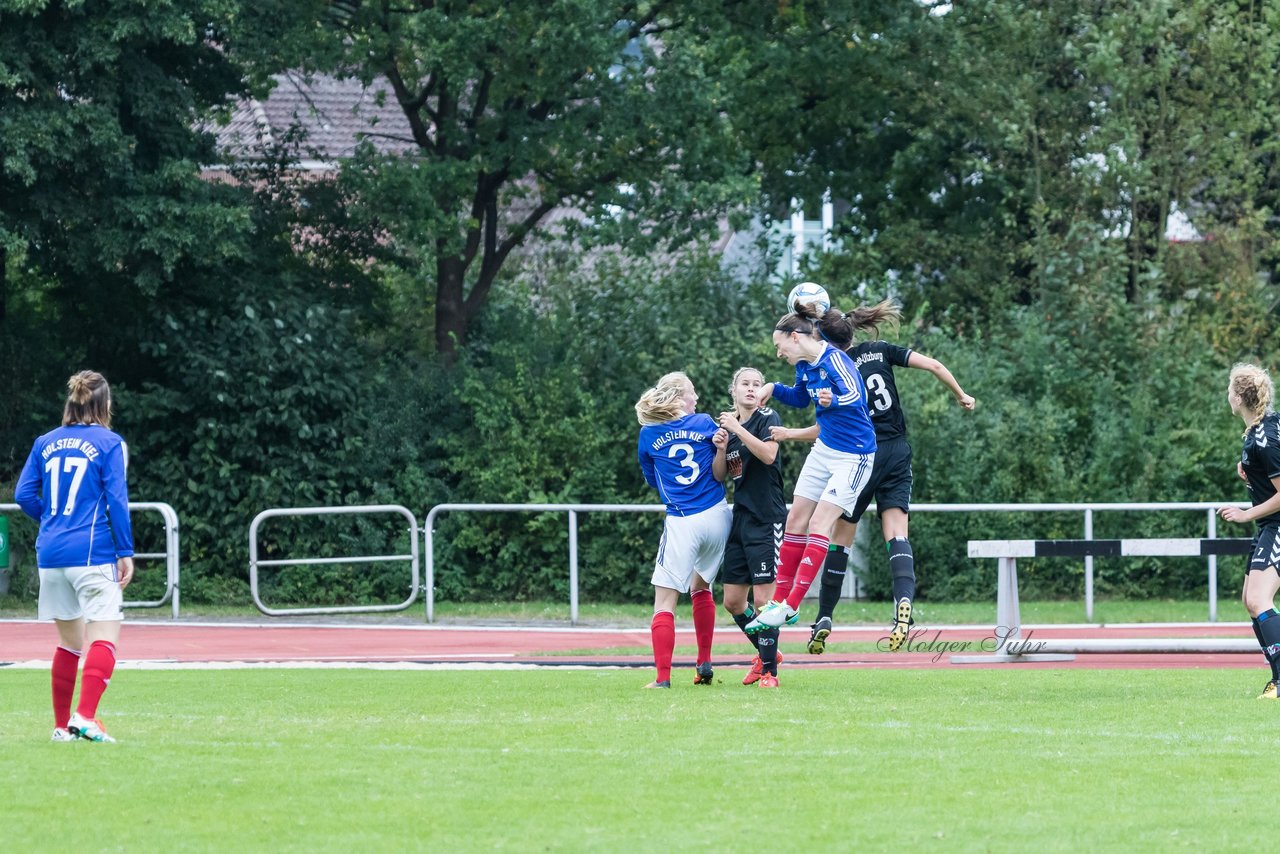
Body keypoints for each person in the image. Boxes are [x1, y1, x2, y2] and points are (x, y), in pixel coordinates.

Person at [771, 299, 975, 654]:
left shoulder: (835, 367)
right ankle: (902, 606)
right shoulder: (880, 351)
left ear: (825, 339)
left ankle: (824, 616)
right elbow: (933, 364)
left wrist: (789, 433)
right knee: (897, 534)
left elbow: (825, 428)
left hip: (858, 454)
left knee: (840, 534)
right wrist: (961, 394)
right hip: (897, 451)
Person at [744, 305, 877, 653]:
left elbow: (856, 396)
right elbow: (802, 398)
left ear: (795, 336)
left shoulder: (835, 361)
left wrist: (834, 398)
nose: (779, 353)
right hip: (825, 449)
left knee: (820, 523)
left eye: (780, 346)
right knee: (796, 519)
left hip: (854, 455)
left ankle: (792, 604)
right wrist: (773, 387)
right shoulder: (804, 366)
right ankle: (779, 603)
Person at [14, 370, 135, 742]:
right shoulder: (110, 442)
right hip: (91, 552)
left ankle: (60, 727)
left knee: (69, 643)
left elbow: (23, 495)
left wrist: (51, 519)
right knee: (104, 635)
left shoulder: (44, 442)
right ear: (105, 404)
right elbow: (116, 500)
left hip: (50, 554)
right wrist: (125, 551)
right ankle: (84, 717)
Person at [636, 371, 732, 688]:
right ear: (679, 397)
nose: (697, 399)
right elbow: (720, 474)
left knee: (664, 603)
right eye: (692, 392)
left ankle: (662, 678)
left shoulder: (649, 434)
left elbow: (653, 480)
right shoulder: (705, 423)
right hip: (718, 515)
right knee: (701, 588)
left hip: (683, 520)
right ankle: (704, 662)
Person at [713, 367, 787, 688]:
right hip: (740, 518)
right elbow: (721, 475)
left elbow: (770, 455)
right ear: (734, 390)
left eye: (757, 384)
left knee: (764, 602)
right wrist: (720, 446)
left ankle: (770, 672)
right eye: (745, 383)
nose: (752, 388)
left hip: (766, 517)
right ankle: (766, 652)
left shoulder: (768, 416)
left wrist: (736, 430)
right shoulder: (730, 427)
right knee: (731, 601)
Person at [1217, 363, 1280, 699]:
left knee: (1258, 599)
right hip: (1269, 526)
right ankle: (1277, 679)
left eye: (1230, 390)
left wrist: (1245, 514)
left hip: (1277, 525)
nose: (1227, 396)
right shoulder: (1264, 427)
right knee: (1250, 601)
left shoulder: (1264, 437)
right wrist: (1251, 474)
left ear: (1239, 397)